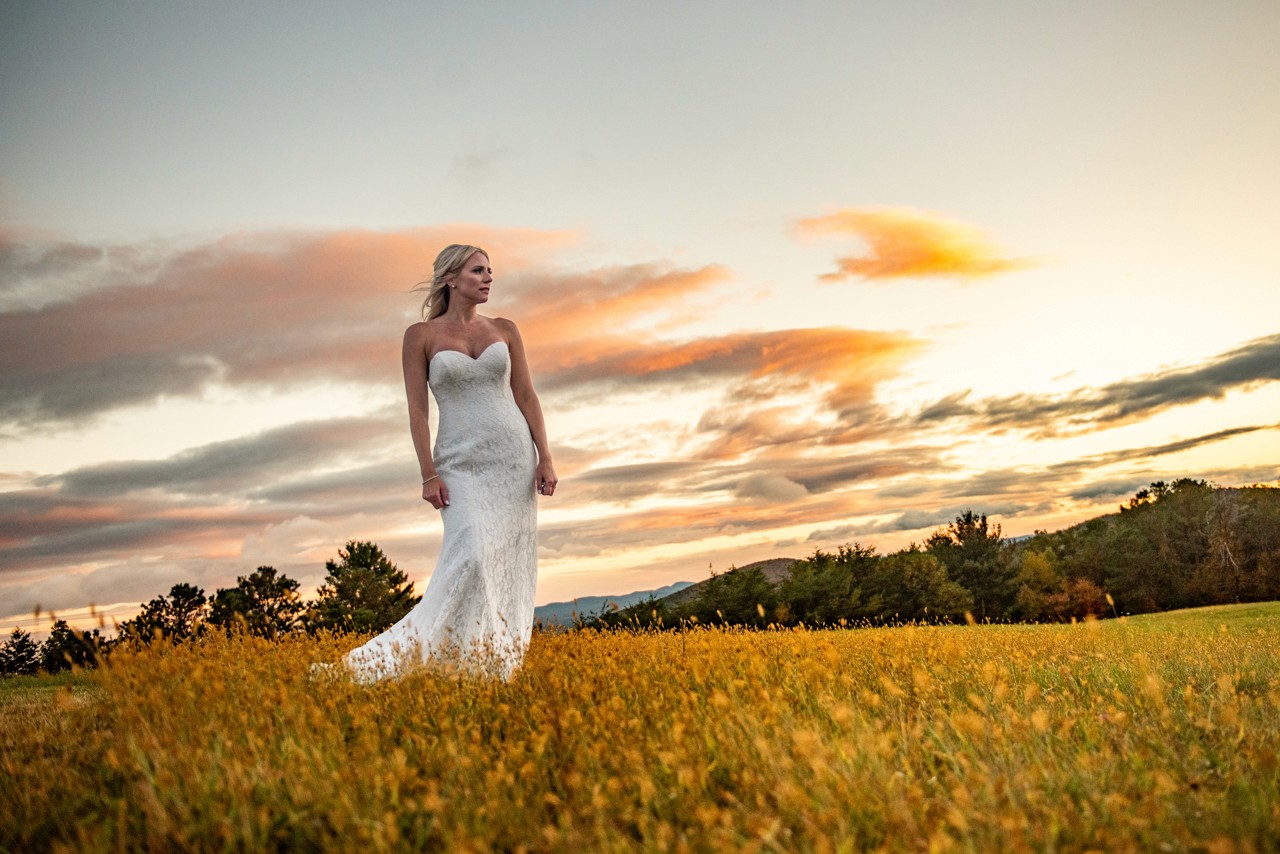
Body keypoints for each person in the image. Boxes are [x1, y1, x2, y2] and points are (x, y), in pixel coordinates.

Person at [341, 244, 557, 682]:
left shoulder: (506, 329)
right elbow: (417, 411)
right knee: (472, 555)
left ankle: (488, 667)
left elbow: (527, 396)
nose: (488, 277)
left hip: (512, 460)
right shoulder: (419, 336)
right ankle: (395, 662)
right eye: (478, 270)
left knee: (502, 564)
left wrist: (544, 458)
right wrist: (428, 473)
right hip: (458, 463)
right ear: (451, 279)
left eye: (490, 270)